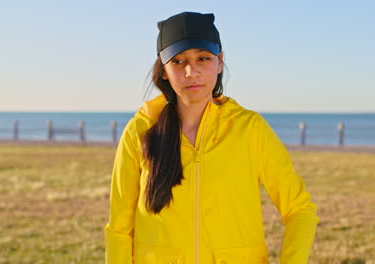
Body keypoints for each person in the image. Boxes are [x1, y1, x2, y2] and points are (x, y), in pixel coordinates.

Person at [104, 11, 319, 263]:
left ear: (220, 62)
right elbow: (119, 228)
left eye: (203, 58)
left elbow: (299, 210)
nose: (190, 72)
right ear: (163, 70)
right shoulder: (139, 131)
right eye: (178, 61)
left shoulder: (249, 128)